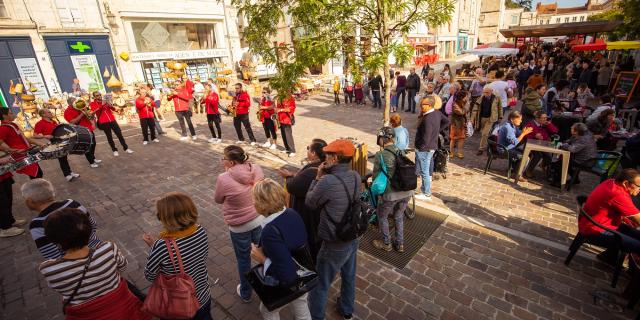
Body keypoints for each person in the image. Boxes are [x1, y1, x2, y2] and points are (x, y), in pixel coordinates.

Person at [40, 209, 150, 320]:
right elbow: (122, 267)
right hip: (123, 307)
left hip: (85, 314)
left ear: (54, 240)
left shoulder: (48, 269)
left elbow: (59, 288)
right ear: (88, 230)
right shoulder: (108, 249)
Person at [305, 139, 361, 320]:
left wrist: (317, 177)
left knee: (320, 284)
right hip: (352, 235)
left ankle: (316, 317)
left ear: (335, 158)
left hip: (334, 242)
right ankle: (346, 310)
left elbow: (310, 202)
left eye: (328, 154)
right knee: (349, 275)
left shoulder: (327, 181)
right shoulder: (355, 175)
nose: (325, 157)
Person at [250, 179, 312, 320]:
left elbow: (287, 274)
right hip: (303, 274)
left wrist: (262, 259)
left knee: (267, 311)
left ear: (262, 205)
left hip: (289, 281)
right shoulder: (292, 212)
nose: (252, 202)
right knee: (301, 305)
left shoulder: (270, 232)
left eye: (254, 199)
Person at [142, 193, 211, 319]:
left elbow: (149, 275)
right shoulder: (200, 230)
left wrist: (154, 248)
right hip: (204, 295)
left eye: (160, 216)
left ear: (168, 219)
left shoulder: (162, 245)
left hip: (182, 305)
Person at [214, 145, 264, 302]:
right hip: (259, 219)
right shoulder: (255, 168)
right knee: (265, 253)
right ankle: (270, 284)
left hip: (239, 225)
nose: (222, 161)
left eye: (224, 158)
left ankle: (246, 293)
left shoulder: (223, 178)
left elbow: (218, 199)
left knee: (244, 260)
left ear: (232, 162)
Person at [21, 178, 100, 259]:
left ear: (29, 201)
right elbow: (92, 225)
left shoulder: (36, 225)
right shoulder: (73, 203)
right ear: (52, 193)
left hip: (72, 263)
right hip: (97, 249)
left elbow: (51, 255)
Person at [278, 139, 327, 262]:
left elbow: (293, 187)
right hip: (318, 211)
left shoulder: (312, 172)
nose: (307, 150)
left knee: (310, 239)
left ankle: (310, 264)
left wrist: (288, 177)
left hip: (307, 214)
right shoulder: (323, 166)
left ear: (314, 153)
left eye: (308, 148)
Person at [580, 169, 640, 264]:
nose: (639, 189)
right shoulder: (617, 194)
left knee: (634, 232)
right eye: (638, 186)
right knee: (638, 245)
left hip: (595, 223)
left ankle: (609, 257)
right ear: (625, 183)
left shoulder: (611, 182)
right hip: (596, 230)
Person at [371, 127, 412, 253]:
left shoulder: (380, 155)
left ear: (382, 139)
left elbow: (375, 177)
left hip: (390, 195)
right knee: (398, 216)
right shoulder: (401, 151)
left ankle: (386, 243)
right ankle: (400, 244)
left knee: (382, 216)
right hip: (407, 192)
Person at [415, 95, 449, 200]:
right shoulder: (437, 113)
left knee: (424, 171)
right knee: (426, 170)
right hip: (432, 146)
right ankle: (425, 188)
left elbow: (426, 136)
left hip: (425, 149)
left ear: (429, 105)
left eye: (423, 105)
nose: (421, 106)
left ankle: (426, 193)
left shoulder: (427, 119)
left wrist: (421, 148)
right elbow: (447, 121)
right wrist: (438, 130)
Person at [33, 108, 79, 181]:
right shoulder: (39, 124)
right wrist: (45, 136)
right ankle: (67, 175)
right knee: (62, 158)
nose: (51, 113)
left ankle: (69, 172)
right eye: (49, 112)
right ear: (43, 114)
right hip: (54, 141)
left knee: (64, 157)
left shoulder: (53, 121)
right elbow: (35, 135)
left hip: (61, 140)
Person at [0, 108, 45, 178]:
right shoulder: (2, 128)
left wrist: (39, 143)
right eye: (10, 113)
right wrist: (12, 150)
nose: (13, 114)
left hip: (27, 152)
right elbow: (0, 143)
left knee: (38, 174)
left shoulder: (13, 125)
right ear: (4, 116)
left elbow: (24, 138)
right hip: (21, 155)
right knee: (36, 175)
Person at [89, 91, 134, 156]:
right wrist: (102, 105)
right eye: (97, 95)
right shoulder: (92, 103)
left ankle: (126, 148)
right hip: (103, 122)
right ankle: (114, 150)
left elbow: (113, 109)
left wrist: (110, 104)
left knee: (119, 134)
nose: (99, 96)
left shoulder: (105, 101)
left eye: (99, 95)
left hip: (112, 120)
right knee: (109, 137)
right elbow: (94, 111)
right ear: (94, 97)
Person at [64, 97, 101, 167]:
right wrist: (82, 114)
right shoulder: (67, 111)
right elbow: (72, 122)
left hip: (88, 128)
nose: (76, 102)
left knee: (93, 144)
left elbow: (90, 117)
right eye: (74, 101)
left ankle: (92, 157)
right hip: (80, 130)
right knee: (87, 147)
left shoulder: (82, 107)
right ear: (69, 103)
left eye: (76, 100)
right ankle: (91, 162)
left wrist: (93, 113)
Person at [497, 111, 533, 182]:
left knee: (529, 153)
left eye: (521, 119)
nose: (521, 121)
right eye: (519, 119)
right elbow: (515, 142)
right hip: (504, 150)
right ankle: (518, 175)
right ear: (512, 119)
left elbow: (518, 133)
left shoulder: (513, 126)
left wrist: (523, 132)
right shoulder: (508, 128)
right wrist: (523, 134)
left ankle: (515, 170)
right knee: (525, 157)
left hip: (510, 148)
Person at [522, 111, 558, 178]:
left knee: (549, 156)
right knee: (538, 155)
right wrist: (534, 136)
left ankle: (545, 168)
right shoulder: (530, 124)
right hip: (531, 145)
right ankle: (529, 171)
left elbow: (555, 131)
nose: (545, 119)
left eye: (546, 118)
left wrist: (549, 124)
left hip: (544, 145)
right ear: (537, 118)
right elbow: (524, 136)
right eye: (543, 118)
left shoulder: (545, 124)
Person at [471, 86, 503, 156]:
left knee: (484, 133)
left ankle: (481, 148)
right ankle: (488, 144)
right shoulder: (481, 98)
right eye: (484, 92)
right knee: (483, 132)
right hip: (482, 118)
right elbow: (475, 108)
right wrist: (472, 119)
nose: (485, 94)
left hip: (491, 118)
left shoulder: (496, 97)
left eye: (487, 92)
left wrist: (500, 116)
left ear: (491, 91)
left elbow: (500, 107)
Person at [0, 155, 24, 238]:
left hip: (2, 172)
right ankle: (5, 228)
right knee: (2, 202)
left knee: (7, 198)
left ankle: (10, 220)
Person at [449, 91, 469, 159]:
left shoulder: (464, 103)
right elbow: (461, 112)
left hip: (462, 124)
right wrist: (467, 107)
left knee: (461, 138)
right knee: (453, 138)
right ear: (462, 97)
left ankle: (459, 152)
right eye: (466, 96)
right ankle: (451, 152)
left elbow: (465, 113)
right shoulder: (455, 103)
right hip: (455, 124)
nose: (467, 98)